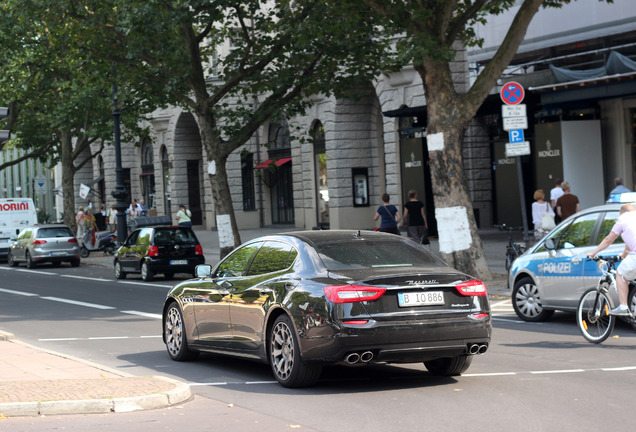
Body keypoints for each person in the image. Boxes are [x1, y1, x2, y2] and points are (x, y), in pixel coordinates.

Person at [587, 203, 636, 316]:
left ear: (622, 212)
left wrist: (594, 253)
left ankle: (623, 307)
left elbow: (609, 240)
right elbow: (630, 241)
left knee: (620, 274)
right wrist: (624, 254)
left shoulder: (622, 219)